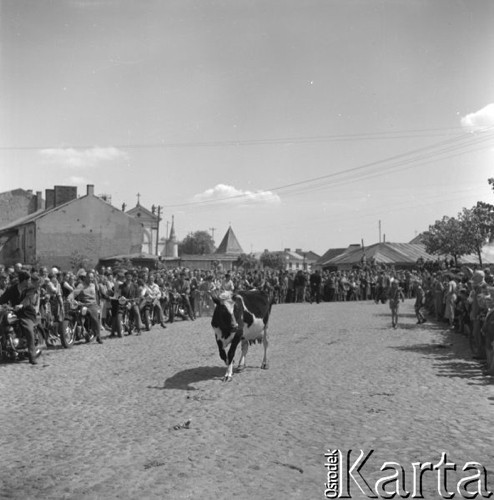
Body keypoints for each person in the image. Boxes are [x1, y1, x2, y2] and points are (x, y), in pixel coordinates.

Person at [0, 271, 41, 364]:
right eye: (29, 279)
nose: (30, 281)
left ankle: (32, 356)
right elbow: (3, 299)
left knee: (29, 329)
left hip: (27, 313)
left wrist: (21, 305)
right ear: (24, 280)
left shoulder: (31, 288)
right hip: (14, 312)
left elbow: (28, 299)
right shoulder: (12, 289)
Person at [71, 270, 103, 344]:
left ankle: (98, 337)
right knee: (75, 315)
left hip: (92, 305)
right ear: (85, 278)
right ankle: (76, 332)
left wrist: (97, 304)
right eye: (89, 277)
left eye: (92, 277)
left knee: (95, 319)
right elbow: (74, 293)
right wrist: (70, 298)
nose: (90, 279)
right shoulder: (81, 285)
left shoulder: (94, 285)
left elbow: (97, 295)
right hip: (82, 304)